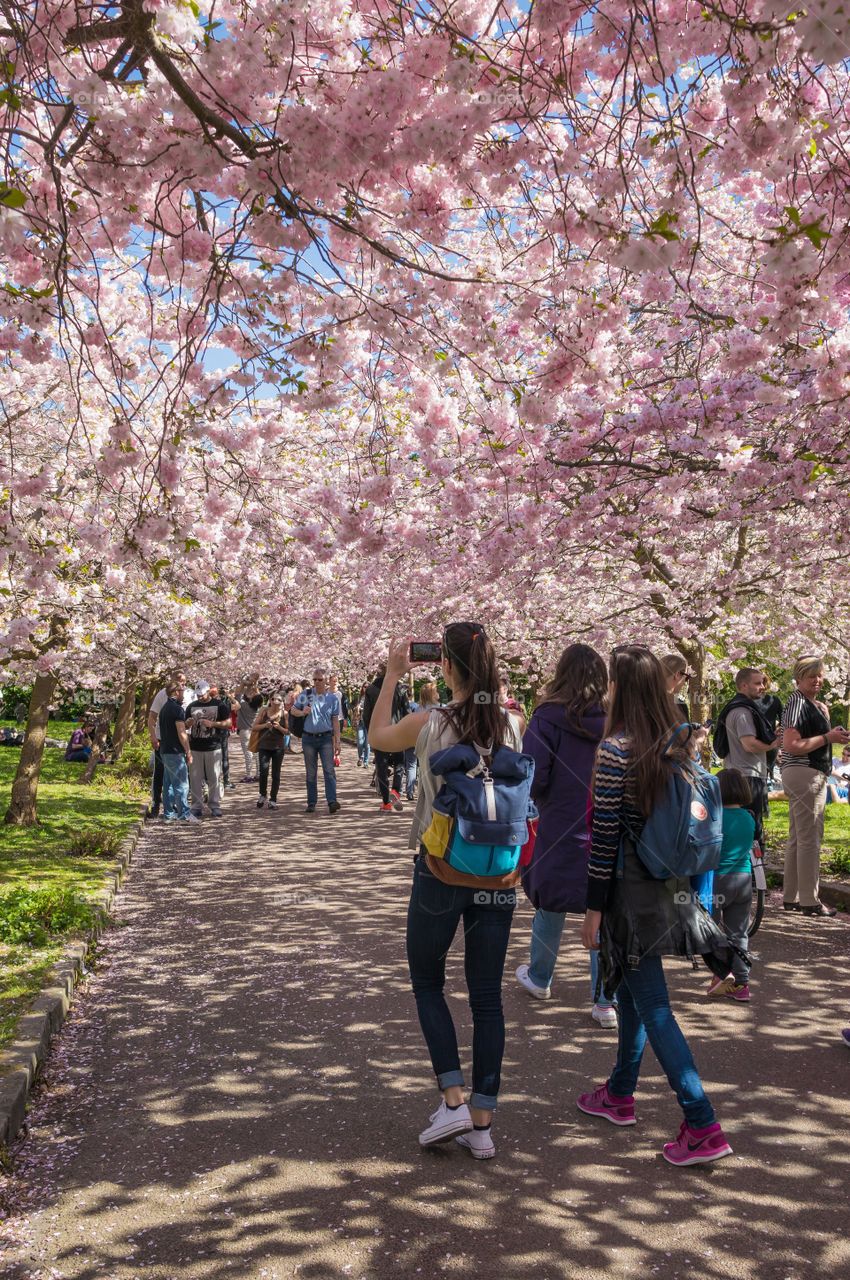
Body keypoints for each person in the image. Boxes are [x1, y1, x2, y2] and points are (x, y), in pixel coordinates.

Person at [369, 623, 525, 1160]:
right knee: (487, 996)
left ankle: (452, 1099)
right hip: (498, 874)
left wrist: (392, 674)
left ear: (447, 666)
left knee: (428, 980)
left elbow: (375, 739)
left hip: (439, 867)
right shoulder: (512, 724)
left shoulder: (431, 721)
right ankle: (482, 1124)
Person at [577, 644, 736, 1167]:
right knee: (632, 992)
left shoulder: (615, 749)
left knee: (655, 1006)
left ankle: (702, 1122)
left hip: (628, 892)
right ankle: (620, 1092)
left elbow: (603, 839)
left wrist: (593, 910)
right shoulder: (678, 746)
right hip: (669, 885)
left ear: (621, 688)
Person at [516, 644, 613, 1025]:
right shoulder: (617, 719)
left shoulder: (548, 717)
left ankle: (540, 976)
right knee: (602, 906)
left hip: (559, 821)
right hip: (607, 820)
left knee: (551, 900)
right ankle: (604, 999)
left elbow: (534, 774)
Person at [779, 656, 849, 916]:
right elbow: (791, 745)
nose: (818, 680)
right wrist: (828, 737)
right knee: (810, 838)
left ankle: (793, 896)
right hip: (804, 772)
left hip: (805, 772)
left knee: (798, 837)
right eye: (812, 676)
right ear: (798, 678)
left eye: (820, 675)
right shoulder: (797, 703)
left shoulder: (811, 704)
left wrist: (829, 732)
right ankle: (810, 900)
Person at [714, 668, 778, 847]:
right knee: (753, 831)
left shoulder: (740, 707)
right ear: (743, 685)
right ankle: (752, 873)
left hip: (742, 774)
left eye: (763, 683)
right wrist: (773, 744)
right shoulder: (742, 711)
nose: (762, 687)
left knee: (748, 829)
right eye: (757, 683)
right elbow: (749, 744)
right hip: (747, 776)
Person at [707, 769, 756, 1001]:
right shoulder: (749, 817)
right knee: (739, 932)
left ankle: (720, 973)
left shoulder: (715, 817)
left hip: (718, 878)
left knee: (712, 929)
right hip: (744, 879)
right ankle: (742, 983)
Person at [290, 667, 341, 813]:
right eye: (315, 680)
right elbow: (293, 710)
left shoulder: (332, 698)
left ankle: (332, 801)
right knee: (311, 772)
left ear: (326, 681)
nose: (317, 682)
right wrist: (302, 712)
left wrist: (337, 741)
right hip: (308, 738)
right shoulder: (305, 695)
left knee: (329, 770)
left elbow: (335, 720)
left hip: (325, 738)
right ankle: (311, 802)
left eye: (320, 680)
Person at [362, 664, 409, 812]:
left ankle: (386, 802)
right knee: (399, 762)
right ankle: (396, 790)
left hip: (379, 731)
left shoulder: (371, 690)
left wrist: (371, 731)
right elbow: (406, 712)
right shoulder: (400, 689)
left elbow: (367, 714)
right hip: (397, 730)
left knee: (381, 766)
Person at [185, 681, 231, 818]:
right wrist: (188, 723)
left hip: (213, 746)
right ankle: (196, 806)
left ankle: (214, 805)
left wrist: (213, 724)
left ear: (208, 691)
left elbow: (229, 723)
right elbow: (185, 723)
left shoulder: (219, 705)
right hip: (195, 747)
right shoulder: (191, 706)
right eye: (197, 694)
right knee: (195, 778)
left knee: (214, 777)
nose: (200, 697)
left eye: (202, 694)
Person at [147, 670, 189, 818]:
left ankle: (173, 808)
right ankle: (156, 805)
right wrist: (153, 737)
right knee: (161, 774)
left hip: (182, 739)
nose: (181, 683)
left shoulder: (188, 694)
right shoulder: (161, 695)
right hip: (163, 739)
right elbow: (151, 718)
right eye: (178, 680)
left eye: (183, 681)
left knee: (178, 776)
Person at [158, 680, 198, 823]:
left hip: (165, 750)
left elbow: (174, 728)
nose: (184, 694)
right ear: (176, 692)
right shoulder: (177, 709)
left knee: (168, 784)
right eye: (182, 691)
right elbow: (181, 733)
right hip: (175, 751)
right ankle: (184, 815)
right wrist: (188, 751)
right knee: (182, 784)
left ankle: (168, 814)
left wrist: (186, 723)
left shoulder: (165, 708)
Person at [253, 692, 287, 810]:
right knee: (263, 772)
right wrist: (265, 726)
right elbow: (254, 727)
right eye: (273, 699)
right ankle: (262, 794)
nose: (275, 701)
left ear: (282, 701)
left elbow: (288, 732)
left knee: (276, 774)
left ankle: (273, 799)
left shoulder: (284, 714)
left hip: (278, 747)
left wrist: (279, 727)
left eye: (278, 699)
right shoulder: (264, 712)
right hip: (264, 746)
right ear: (270, 700)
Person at [235, 674, 263, 781]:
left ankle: (249, 775)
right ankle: (259, 774)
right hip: (255, 730)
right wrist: (254, 685)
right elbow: (258, 696)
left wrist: (243, 683)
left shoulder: (244, 706)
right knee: (256, 753)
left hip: (245, 731)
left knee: (248, 753)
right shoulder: (259, 707)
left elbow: (238, 694)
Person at [755, 682, 783, 787]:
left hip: (755, 738)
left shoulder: (749, 701)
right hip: (771, 738)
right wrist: (779, 729)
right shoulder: (775, 700)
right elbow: (784, 718)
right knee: (767, 768)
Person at [211, 683, 236, 791]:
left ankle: (216, 781)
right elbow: (237, 706)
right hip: (222, 732)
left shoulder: (208, 704)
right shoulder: (223, 703)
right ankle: (226, 781)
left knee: (213, 757)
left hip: (213, 733)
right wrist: (229, 696)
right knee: (224, 757)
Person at [660, 654, 692, 722]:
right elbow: (682, 732)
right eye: (686, 677)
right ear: (677, 675)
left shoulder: (641, 698)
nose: (685, 682)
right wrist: (701, 733)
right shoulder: (679, 705)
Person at [354, 682, 371, 769]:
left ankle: (366, 761)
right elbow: (355, 708)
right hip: (360, 722)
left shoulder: (372, 697)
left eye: (368, 687)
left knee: (367, 744)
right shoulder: (359, 697)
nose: (366, 688)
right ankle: (361, 757)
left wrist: (363, 708)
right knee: (360, 742)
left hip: (369, 723)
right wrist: (357, 708)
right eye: (364, 687)